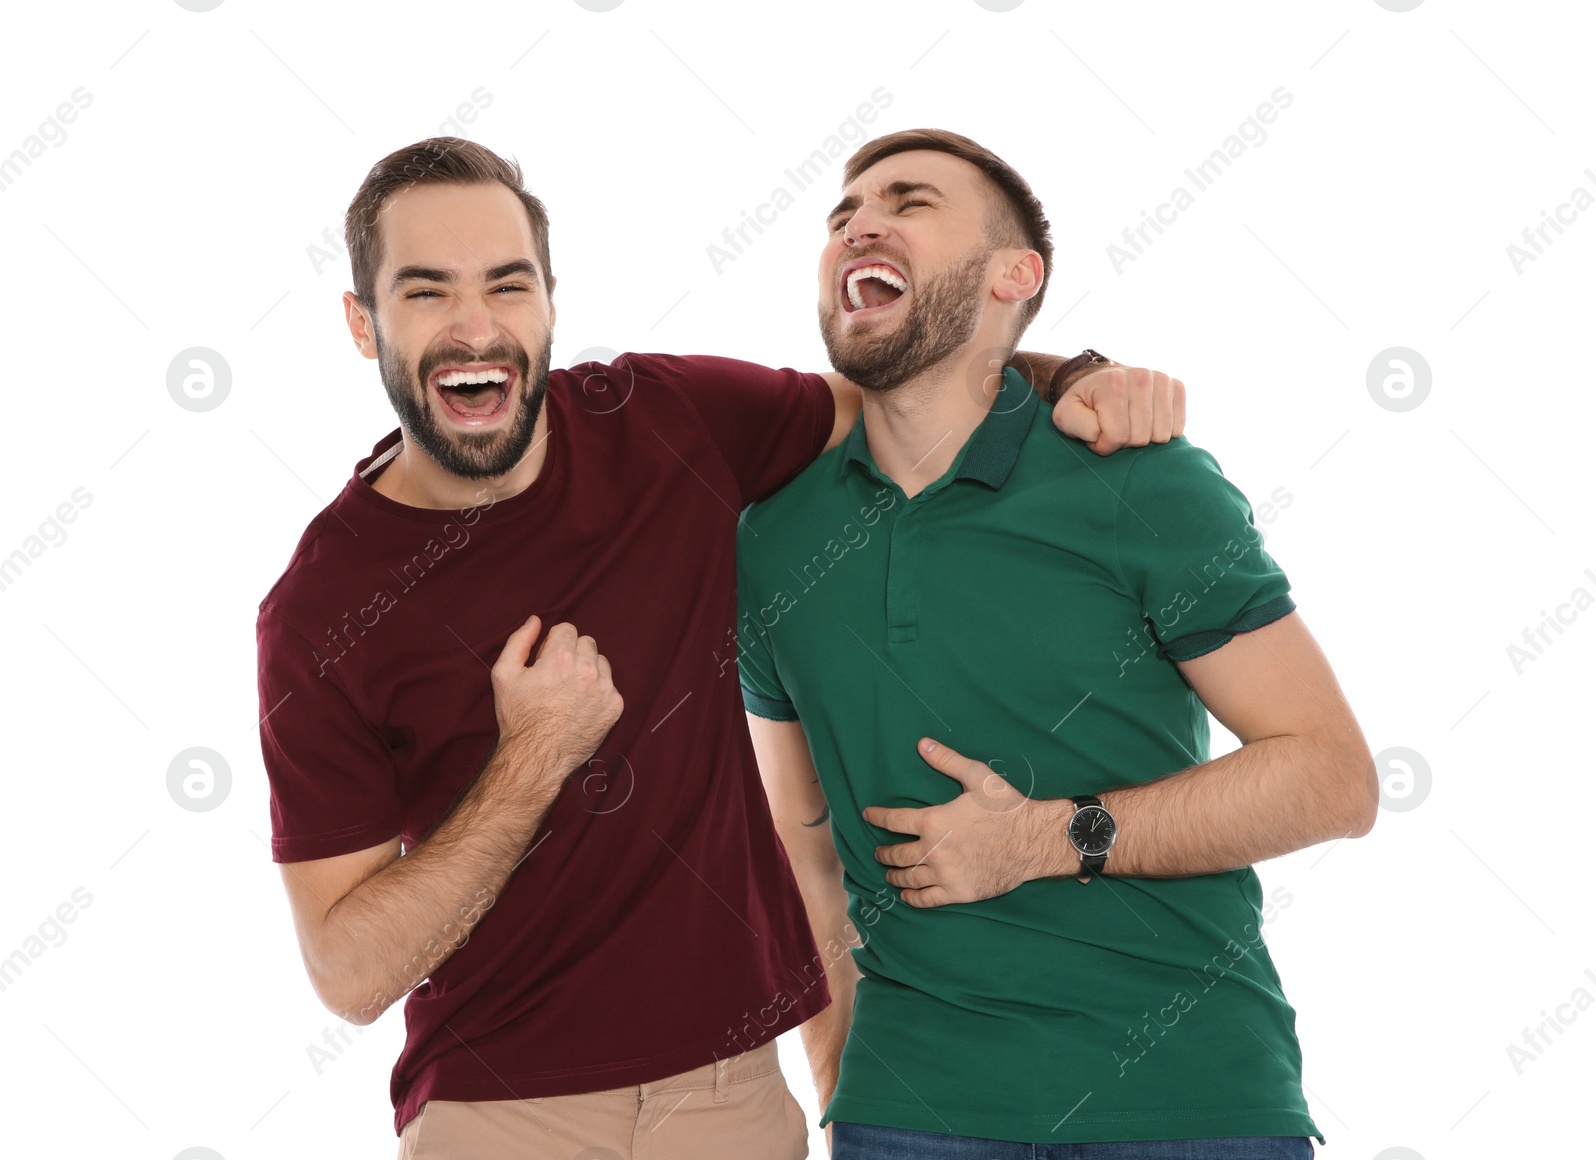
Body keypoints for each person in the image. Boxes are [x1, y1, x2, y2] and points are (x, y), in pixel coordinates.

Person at [253, 135, 1186, 1159]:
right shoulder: (324, 605)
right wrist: (529, 761)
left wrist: (1072, 374)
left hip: (733, 1097)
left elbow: (906, 391)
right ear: (362, 321)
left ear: (549, 302)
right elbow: (347, 973)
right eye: (425, 292)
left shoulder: (663, 419)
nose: (476, 327)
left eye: (506, 285)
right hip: (501, 1106)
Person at [737, 128, 1377, 1159]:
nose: (859, 220)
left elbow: (1332, 776)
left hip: (1190, 1104)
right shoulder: (773, 539)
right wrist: (845, 1086)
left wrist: (1045, 836)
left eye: (909, 200)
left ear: (1012, 276)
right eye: (842, 214)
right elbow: (801, 852)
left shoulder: (1142, 481)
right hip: (910, 1117)